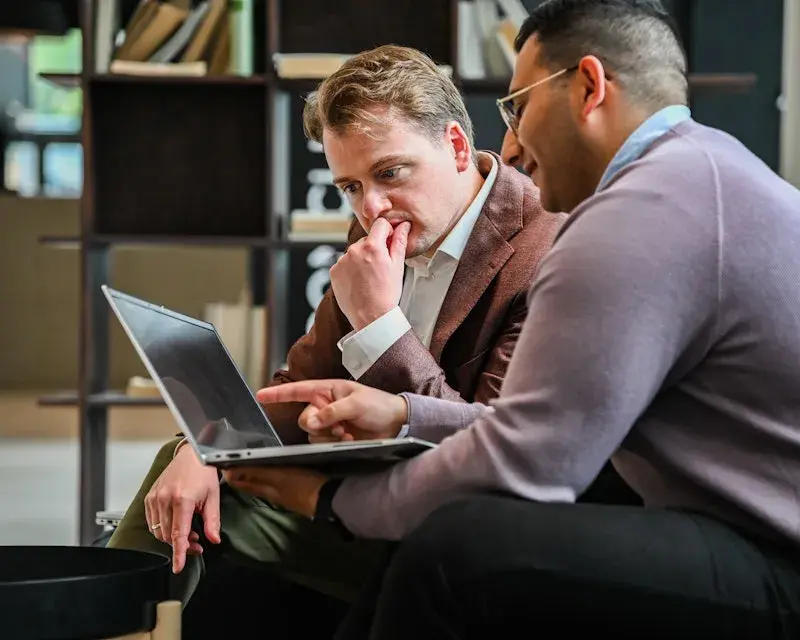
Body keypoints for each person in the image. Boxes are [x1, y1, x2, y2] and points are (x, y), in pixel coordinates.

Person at [229, 1, 800, 637]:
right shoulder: (700, 170)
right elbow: (550, 428)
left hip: (776, 556)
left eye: (519, 107)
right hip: (742, 523)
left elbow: (530, 463)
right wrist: (404, 414)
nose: (509, 142)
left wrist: (333, 502)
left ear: (589, 87)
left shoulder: (636, 217)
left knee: (456, 548)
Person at [106, 43, 567, 607]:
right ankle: (116, 616)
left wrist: (378, 321)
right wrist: (204, 447)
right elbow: (302, 377)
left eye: (390, 172)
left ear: (455, 144)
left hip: (457, 525)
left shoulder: (549, 247)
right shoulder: (383, 231)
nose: (370, 207)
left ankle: (107, 613)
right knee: (186, 472)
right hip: (367, 491)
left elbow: (492, 444)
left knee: (222, 506)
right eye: (350, 187)